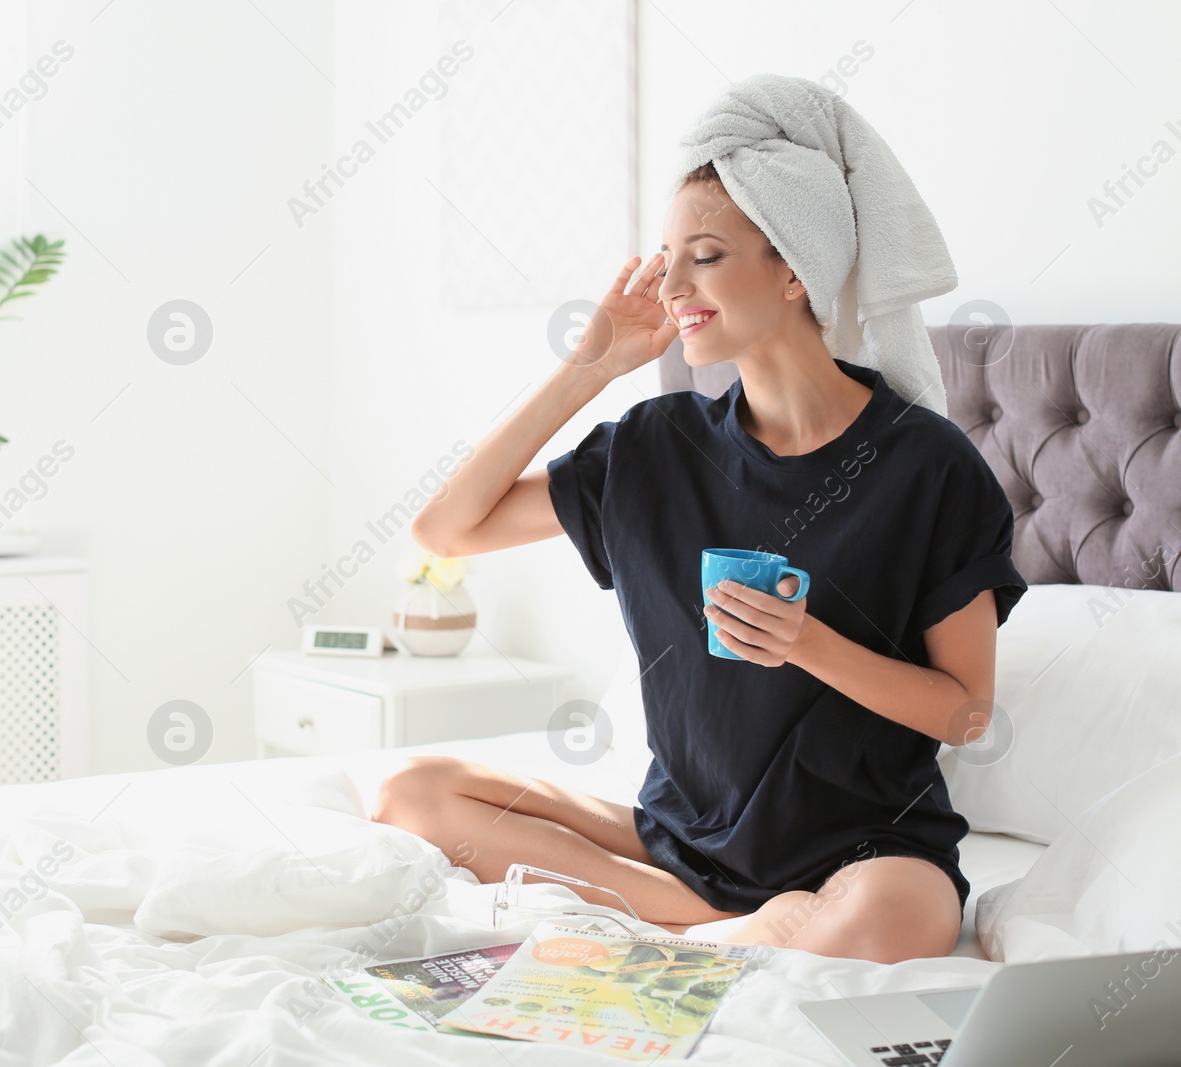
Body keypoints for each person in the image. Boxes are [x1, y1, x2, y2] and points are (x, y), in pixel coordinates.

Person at [371, 164, 1028, 964]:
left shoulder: (928, 464)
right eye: (665, 255)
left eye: (706, 255)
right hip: (680, 840)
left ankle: (674, 927)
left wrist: (808, 644)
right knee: (414, 793)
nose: (671, 283)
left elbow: (964, 712)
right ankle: (714, 931)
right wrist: (590, 368)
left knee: (903, 913)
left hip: (865, 849)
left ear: (795, 270)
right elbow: (446, 529)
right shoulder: (656, 446)